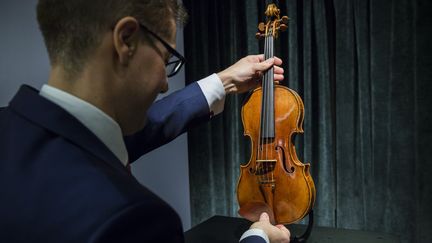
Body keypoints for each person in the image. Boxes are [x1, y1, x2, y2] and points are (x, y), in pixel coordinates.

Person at [0, 0, 290, 242]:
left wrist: (223, 81)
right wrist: (257, 238)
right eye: (166, 59)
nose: (164, 83)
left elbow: (114, 139)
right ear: (125, 40)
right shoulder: (135, 219)